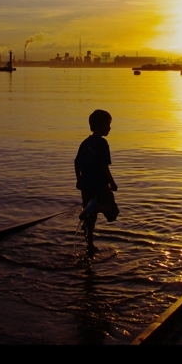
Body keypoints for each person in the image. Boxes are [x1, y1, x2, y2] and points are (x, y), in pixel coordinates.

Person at [75, 109, 118, 255]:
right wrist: (112, 183)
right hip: (99, 185)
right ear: (99, 127)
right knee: (113, 212)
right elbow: (103, 166)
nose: (109, 128)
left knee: (89, 221)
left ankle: (90, 246)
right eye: (107, 125)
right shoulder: (102, 143)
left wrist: (79, 180)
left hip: (86, 185)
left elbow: (76, 162)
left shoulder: (85, 143)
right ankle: (97, 208)